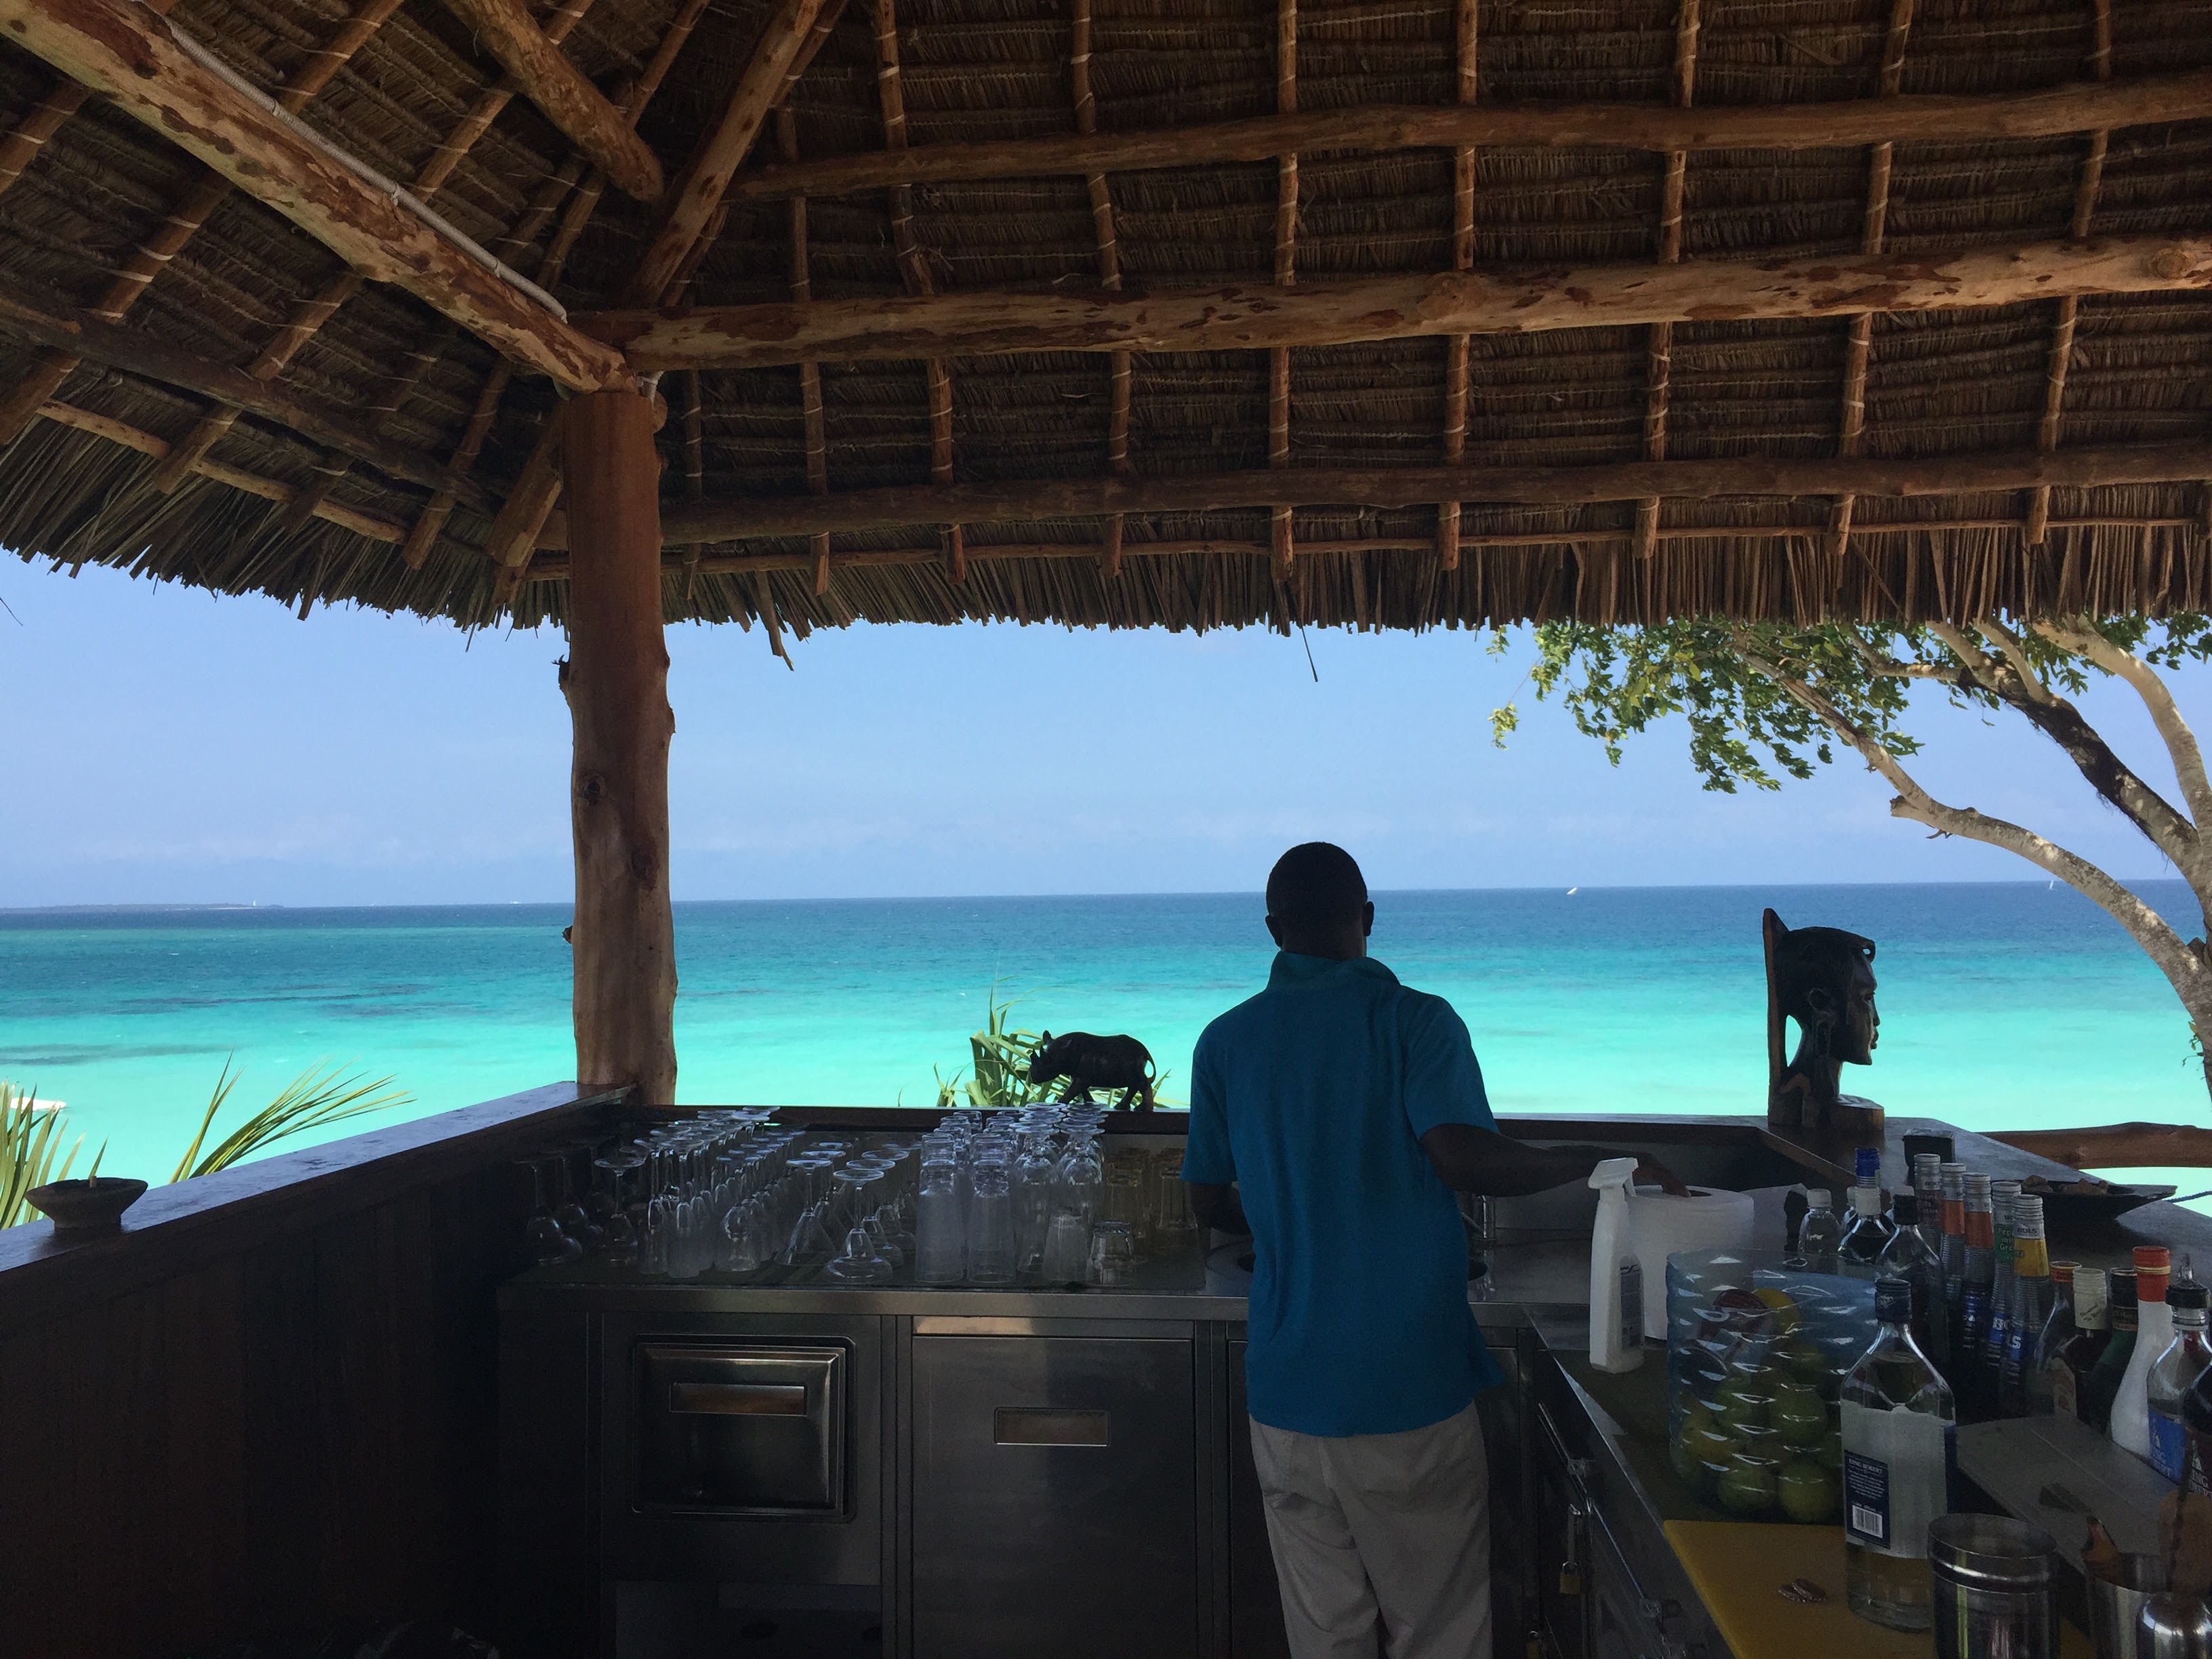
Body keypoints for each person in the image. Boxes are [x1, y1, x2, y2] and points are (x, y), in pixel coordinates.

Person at [1183, 842, 1680, 1659]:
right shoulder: (1417, 1021)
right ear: (1368, 920)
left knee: (1326, 1635)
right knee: (1439, 1631)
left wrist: (1294, 1206)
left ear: (1272, 930)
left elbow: (1207, 1200)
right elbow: (1460, 1156)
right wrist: (1601, 1164)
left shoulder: (1224, 1043)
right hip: (1404, 1388)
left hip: (1284, 1395)